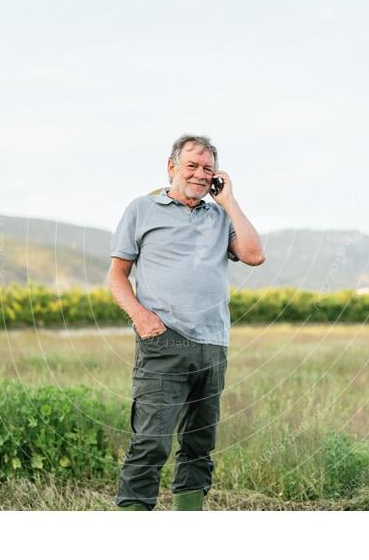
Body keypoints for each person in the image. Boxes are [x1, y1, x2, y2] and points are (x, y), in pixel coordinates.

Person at [108, 134, 265, 511]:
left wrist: (227, 200)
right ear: (172, 167)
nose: (198, 174)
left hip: (213, 343)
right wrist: (142, 317)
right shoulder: (142, 210)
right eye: (191, 165)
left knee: (199, 441)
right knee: (152, 440)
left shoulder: (220, 216)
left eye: (207, 168)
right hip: (164, 341)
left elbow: (254, 254)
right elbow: (116, 276)